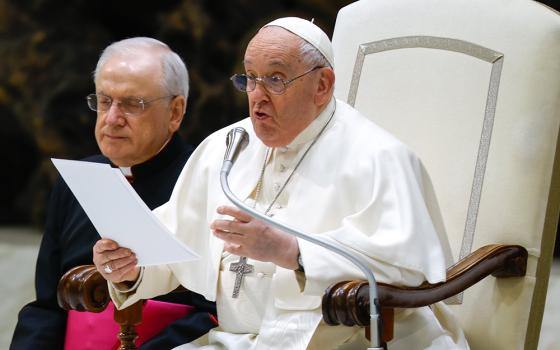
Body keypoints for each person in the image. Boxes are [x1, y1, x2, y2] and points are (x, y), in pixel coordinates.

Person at [93, 19, 469, 349]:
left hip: (350, 339)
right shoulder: (225, 147)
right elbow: (173, 243)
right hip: (240, 340)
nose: (257, 95)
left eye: (275, 78)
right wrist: (131, 267)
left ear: (323, 85)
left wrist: (293, 252)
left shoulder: (378, 156)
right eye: (249, 78)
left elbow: (406, 269)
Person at [11, 37, 217, 350]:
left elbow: (215, 313)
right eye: (104, 101)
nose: (112, 119)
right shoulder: (75, 181)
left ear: (175, 112)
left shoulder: (206, 184)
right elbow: (48, 306)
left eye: (133, 104)